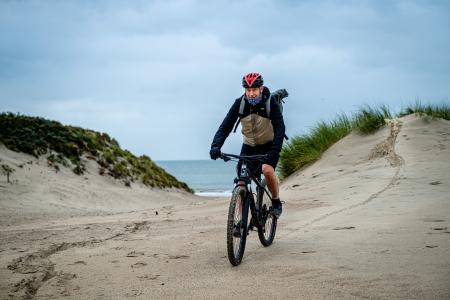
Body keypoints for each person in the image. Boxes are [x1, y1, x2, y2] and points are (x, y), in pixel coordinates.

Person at [210, 72, 285, 217]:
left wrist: (274, 152)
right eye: (248, 90)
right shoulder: (240, 103)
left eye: (254, 90)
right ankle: (239, 222)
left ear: (260, 89)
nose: (251, 93)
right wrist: (216, 146)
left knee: (268, 171)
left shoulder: (270, 103)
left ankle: (276, 202)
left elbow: (280, 129)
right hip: (249, 146)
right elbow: (225, 126)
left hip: (269, 145)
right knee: (241, 182)